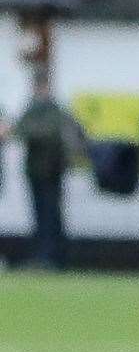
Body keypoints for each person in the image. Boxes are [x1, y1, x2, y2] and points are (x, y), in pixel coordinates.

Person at [12, 73, 84, 269]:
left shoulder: (55, 111)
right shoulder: (35, 110)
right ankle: (44, 256)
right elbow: (20, 130)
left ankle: (53, 257)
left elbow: (38, 131)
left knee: (52, 215)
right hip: (36, 172)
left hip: (52, 171)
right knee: (41, 215)